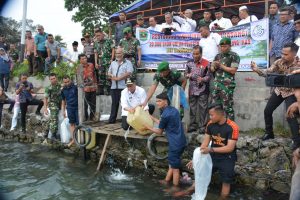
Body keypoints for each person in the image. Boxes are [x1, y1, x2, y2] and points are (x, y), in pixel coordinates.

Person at [251, 43, 300, 144]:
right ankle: (269, 133)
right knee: (267, 111)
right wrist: (257, 70)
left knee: (291, 115)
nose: (282, 56)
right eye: (282, 53)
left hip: (291, 92)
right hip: (279, 90)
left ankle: (296, 140)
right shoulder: (279, 62)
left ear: (294, 55)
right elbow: (269, 72)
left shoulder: (298, 64)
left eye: (286, 54)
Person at [143, 92, 186, 187]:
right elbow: (163, 122)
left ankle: (175, 188)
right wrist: (152, 118)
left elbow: (159, 131)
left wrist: (147, 127)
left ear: (166, 102)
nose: (157, 103)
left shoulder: (165, 114)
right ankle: (166, 180)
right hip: (181, 141)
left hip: (175, 144)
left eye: (159, 101)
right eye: (156, 101)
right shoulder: (173, 110)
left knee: (175, 169)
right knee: (173, 164)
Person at [198, 103, 239, 198]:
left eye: (212, 115)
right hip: (212, 155)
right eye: (209, 115)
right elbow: (205, 141)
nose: (210, 117)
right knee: (201, 175)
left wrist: (211, 149)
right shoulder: (210, 124)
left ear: (221, 114)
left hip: (227, 158)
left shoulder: (233, 127)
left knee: (226, 181)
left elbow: (230, 148)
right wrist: (196, 158)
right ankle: (190, 190)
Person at [210, 38, 240, 120]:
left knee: (227, 107)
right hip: (216, 85)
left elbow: (233, 70)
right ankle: (218, 127)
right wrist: (213, 66)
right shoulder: (218, 56)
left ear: (230, 46)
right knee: (216, 107)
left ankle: (231, 129)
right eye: (221, 46)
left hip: (227, 86)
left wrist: (220, 66)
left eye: (225, 46)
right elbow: (212, 69)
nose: (222, 48)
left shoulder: (234, 56)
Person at [185, 46, 211, 133]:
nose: (195, 56)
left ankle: (202, 127)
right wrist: (188, 75)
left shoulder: (206, 63)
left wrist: (202, 79)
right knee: (192, 108)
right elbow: (186, 74)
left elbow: (209, 76)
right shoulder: (189, 63)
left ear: (201, 53)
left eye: (197, 54)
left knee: (203, 109)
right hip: (192, 90)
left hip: (202, 90)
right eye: (194, 54)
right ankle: (192, 125)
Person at [107, 47, 133, 124]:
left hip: (124, 87)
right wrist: (111, 76)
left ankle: (126, 121)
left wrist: (118, 78)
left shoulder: (128, 62)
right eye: (116, 53)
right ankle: (112, 121)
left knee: (125, 104)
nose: (118, 55)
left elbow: (129, 72)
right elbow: (109, 72)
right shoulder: (113, 63)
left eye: (119, 53)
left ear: (123, 54)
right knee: (114, 104)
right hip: (114, 87)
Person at [94, 29, 115, 95]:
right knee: (101, 76)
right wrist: (96, 62)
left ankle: (109, 90)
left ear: (102, 34)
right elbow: (96, 53)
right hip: (100, 62)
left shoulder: (109, 41)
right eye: (96, 36)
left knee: (108, 76)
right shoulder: (96, 43)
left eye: (99, 35)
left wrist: (112, 59)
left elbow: (113, 49)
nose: (98, 37)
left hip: (108, 61)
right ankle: (102, 91)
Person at [78, 54, 97, 121]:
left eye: (85, 58)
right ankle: (86, 118)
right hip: (85, 89)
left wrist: (96, 84)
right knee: (85, 105)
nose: (85, 60)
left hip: (93, 88)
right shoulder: (79, 68)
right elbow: (79, 80)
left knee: (93, 104)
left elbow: (94, 75)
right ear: (80, 60)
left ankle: (92, 118)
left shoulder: (91, 65)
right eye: (83, 59)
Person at [61, 75, 78, 147]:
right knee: (72, 123)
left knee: (78, 123)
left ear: (70, 80)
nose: (67, 83)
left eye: (68, 81)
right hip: (69, 108)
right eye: (65, 82)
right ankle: (74, 139)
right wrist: (63, 110)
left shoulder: (75, 87)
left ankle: (79, 139)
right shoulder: (63, 90)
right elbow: (63, 100)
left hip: (77, 107)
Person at [43, 73, 61, 139]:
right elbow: (45, 98)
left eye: (54, 78)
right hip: (53, 104)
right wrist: (45, 108)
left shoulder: (59, 86)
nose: (53, 80)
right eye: (51, 79)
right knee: (54, 119)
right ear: (49, 80)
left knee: (51, 119)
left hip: (59, 104)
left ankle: (46, 132)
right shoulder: (48, 88)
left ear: (56, 78)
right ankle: (53, 134)